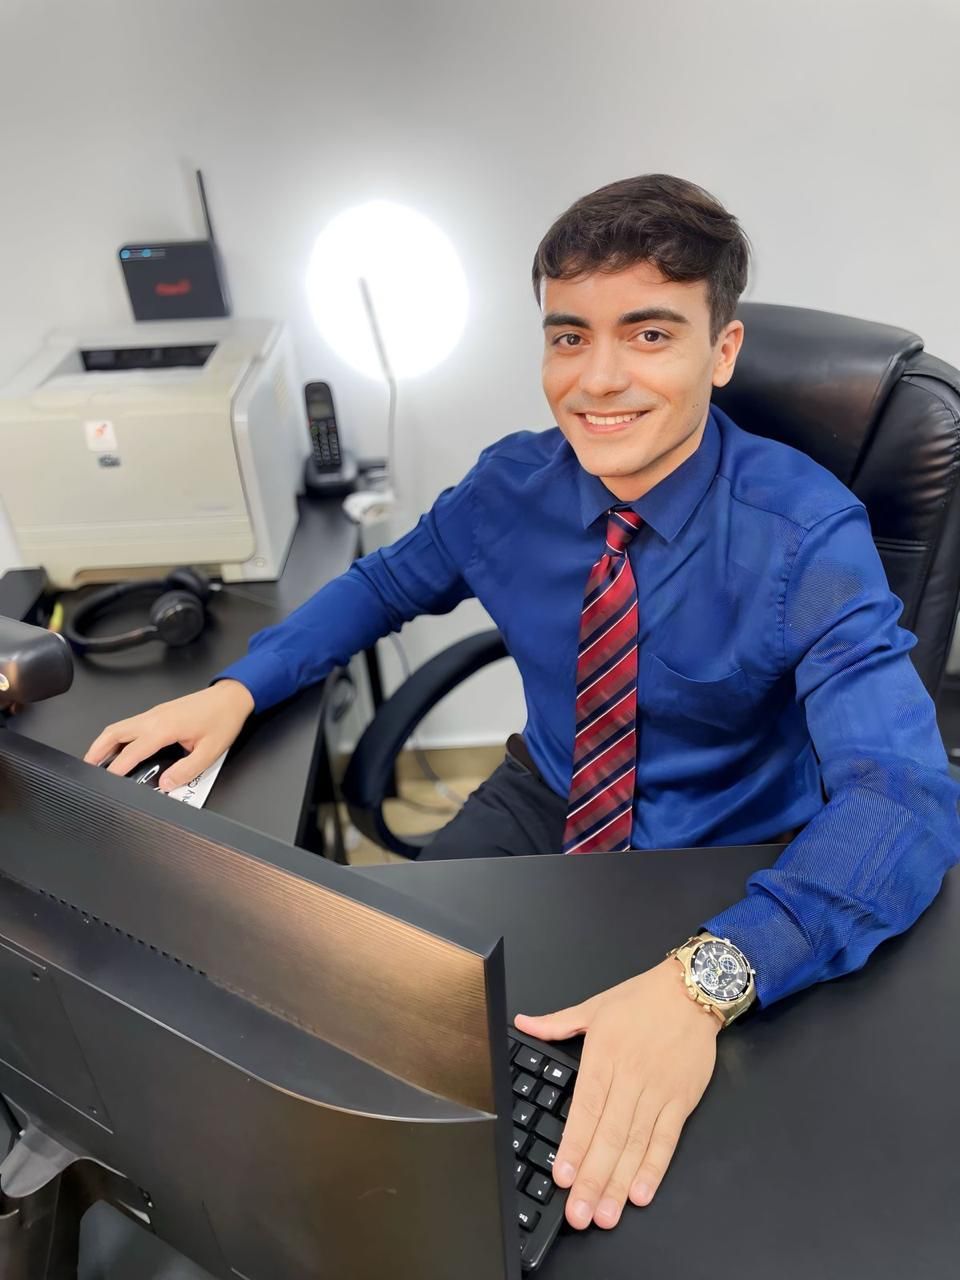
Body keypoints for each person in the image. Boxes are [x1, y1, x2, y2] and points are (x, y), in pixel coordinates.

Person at [84, 174, 960, 1236]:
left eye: (649, 334)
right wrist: (238, 686)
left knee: (677, 1194)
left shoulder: (807, 532)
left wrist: (706, 979)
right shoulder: (513, 486)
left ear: (721, 351)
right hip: (548, 794)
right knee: (367, 1030)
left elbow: (905, 799)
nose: (598, 380)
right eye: (568, 336)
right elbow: (383, 584)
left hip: (728, 846)